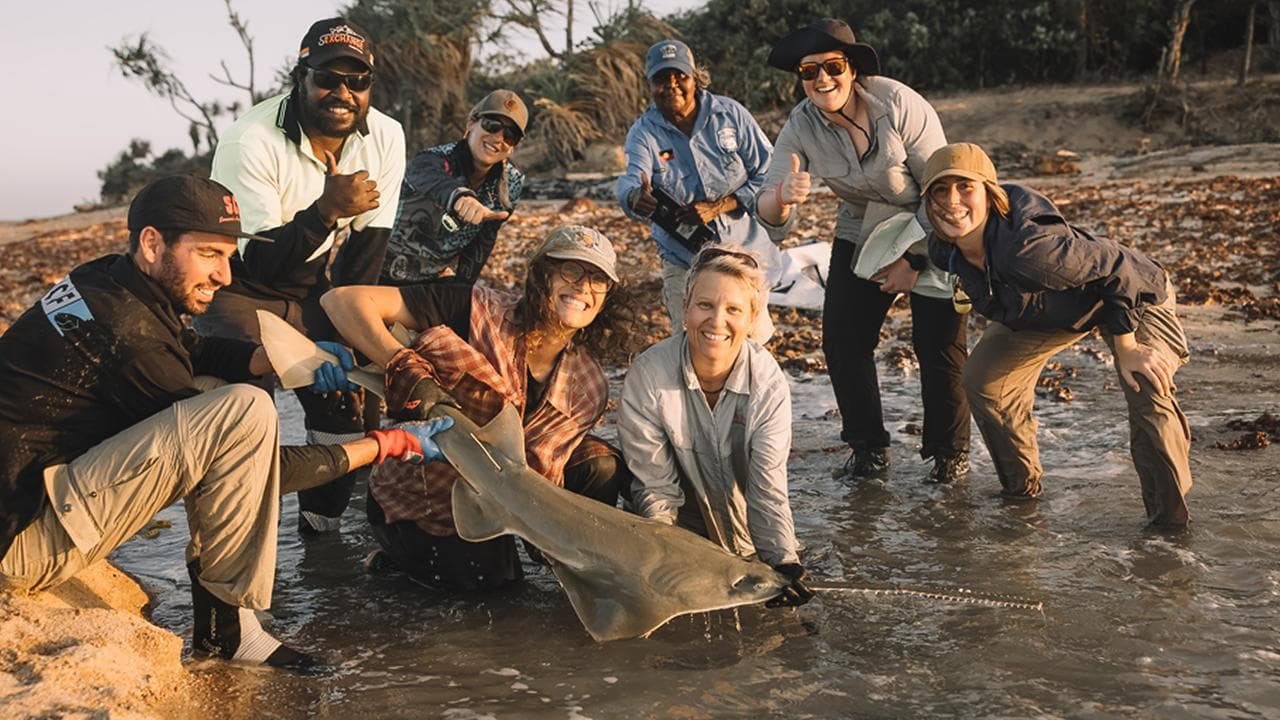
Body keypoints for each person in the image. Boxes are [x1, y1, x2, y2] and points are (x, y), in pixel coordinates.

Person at [0, 175, 448, 670]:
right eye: (209, 254)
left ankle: (225, 627)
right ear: (152, 243)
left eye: (228, 256)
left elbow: (193, 352)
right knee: (243, 412)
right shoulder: (130, 337)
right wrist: (383, 445)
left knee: (221, 392)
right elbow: (249, 466)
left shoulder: (108, 282)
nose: (225, 276)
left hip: (33, 489)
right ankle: (231, 633)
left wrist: (284, 359)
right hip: (22, 548)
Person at [322, 226, 636, 591]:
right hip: (426, 498)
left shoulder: (590, 385)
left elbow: (545, 472)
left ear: (607, 296)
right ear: (543, 274)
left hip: (508, 489)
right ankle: (396, 559)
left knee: (601, 464)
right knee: (495, 596)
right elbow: (341, 301)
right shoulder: (474, 309)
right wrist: (403, 367)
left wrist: (563, 549)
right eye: (571, 270)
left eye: (597, 278)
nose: (583, 286)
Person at [197, 17, 407, 535]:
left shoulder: (385, 135)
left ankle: (319, 539)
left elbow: (365, 253)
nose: (342, 93)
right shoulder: (250, 141)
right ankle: (239, 538)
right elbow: (264, 261)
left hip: (313, 286)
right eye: (327, 78)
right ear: (301, 75)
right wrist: (325, 212)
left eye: (357, 82)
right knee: (246, 414)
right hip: (240, 288)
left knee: (344, 406)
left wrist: (345, 336)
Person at [921, 143, 1193, 529]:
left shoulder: (1029, 253)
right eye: (939, 190)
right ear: (927, 201)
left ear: (990, 194)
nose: (952, 201)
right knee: (983, 380)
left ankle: (1170, 530)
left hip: (1134, 295)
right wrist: (907, 266)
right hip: (1050, 311)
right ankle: (1021, 495)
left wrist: (1128, 346)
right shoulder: (941, 245)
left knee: (1146, 382)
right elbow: (924, 249)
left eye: (965, 187)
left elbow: (1119, 269)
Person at [755, 18, 970, 484]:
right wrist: (783, 198)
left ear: (852, 68)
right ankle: (869, 449)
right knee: (843, 339)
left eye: (832, 66)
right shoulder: (800, 125)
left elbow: (945, 192)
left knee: (938, 344)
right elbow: (767, 211)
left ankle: (948, 456)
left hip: (933, 222)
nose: (822, 80)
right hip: (863, 225)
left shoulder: (898, 105)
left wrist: (913, 262)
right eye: (809, 72)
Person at [618, 245, 812, 607]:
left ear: (752, 318)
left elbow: (768, 485)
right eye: (705, 305)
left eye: (733, 310)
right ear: (685, 307)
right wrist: (668, 564)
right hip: (678, 534)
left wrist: (782, 559)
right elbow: (656, 490)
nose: (717, 321)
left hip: (749, 537)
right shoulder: (648, 373)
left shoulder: (768, 383)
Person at [615, 39, 781, 337]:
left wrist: (720, 206)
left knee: (752, 341)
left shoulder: (730, 115)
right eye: (661, 79)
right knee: (692, 341)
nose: (672, 85)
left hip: (744, 252)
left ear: (695, 78)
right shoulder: (643, 133)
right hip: (684, 260)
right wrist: (633, 196)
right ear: (649, 85)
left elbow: (769, 172)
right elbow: (632, 176)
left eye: (680, 76)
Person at [381, 90, 527, 286]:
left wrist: (461, 288)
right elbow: (425, 176)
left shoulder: (511, 184)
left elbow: (483, 242)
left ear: (513, 146)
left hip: (428, 284)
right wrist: (460, 197)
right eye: (492, 125)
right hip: (374, 271)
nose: (499, 138)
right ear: (471, 123)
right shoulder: (433, 159)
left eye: (510, 135)